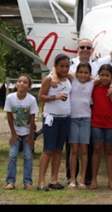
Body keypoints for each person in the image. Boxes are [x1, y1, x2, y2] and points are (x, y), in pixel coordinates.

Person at [65, 37, 112, 185]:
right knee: (72, 147)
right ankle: (71, 177)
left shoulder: (97, 63)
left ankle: (87, 178)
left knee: (91, 147)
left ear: (92, 50)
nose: (85, 50)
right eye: (82, 47)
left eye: (88, 47)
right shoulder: (71, 64)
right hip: (73, 109)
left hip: (91, 109)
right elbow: (57, 69)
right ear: (77, 49)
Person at [37, 54, 72, 191]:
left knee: (58, 150)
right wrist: (55, 97)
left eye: (67, 66)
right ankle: (41, 182)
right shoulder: (49, 79)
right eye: (61, 66)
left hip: (65, 118)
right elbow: (41, 97)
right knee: (48, 149)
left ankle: (54, 179)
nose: (64, 69)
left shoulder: (68, 78)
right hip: (52, 118)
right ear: (55, 66)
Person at [89, 64, 112, 190]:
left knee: (109, 150)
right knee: (97, 150)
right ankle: (94, 180)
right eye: (102, 75)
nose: (104, 78)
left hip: (111, 125)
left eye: (107, 76)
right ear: (98, 76)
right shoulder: (93, 88)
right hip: (96, 123)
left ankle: (110, 181)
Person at [4, 74, 39, 190]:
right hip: (15, 132)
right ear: (16, 84)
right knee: (12, 156)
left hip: (27, 133)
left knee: (28, 156)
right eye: (19, 81)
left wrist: (30, 137)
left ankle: (27, 182)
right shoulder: (10, 98)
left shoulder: (31, 100)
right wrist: (13, 133)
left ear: (29, 87)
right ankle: (10, 181)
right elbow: (9, 116)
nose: (21, 84)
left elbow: (33, 118)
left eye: (25, 82)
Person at [64, 62, 95, 189]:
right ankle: (72, 179)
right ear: (76, 73)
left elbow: (108, 79)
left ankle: (82, 180)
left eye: (86, 73)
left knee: (84, 150)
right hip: (73, 119)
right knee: (74, 150)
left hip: (86, 119)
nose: (83, 75)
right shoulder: (73, 79)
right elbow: (59, 70)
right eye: (80, 72)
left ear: (90, 74)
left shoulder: (92, 82)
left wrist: (111, 85)